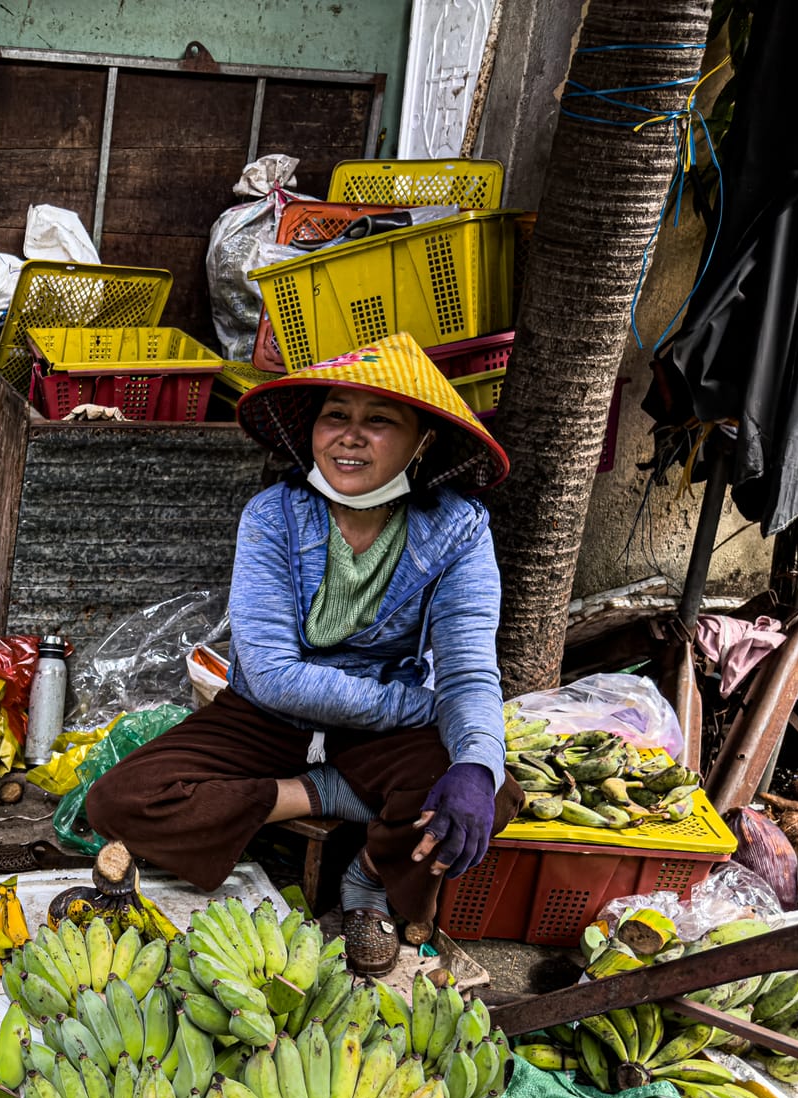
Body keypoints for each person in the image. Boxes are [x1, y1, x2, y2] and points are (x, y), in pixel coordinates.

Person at [84, 332, 523, 975]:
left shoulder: (458, 531)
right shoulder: (274, 515)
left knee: (493, 792)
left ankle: (370, 871)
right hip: (272, 712)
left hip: (378, 723)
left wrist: (476, 763)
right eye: (335, 416)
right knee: (120, 800)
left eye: (379, 421)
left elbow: (467, 669)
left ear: (422, 440)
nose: (350, 436)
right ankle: (325, 794)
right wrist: (410, 707)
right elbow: (269, 674)